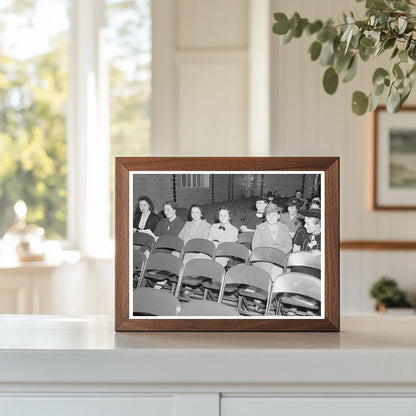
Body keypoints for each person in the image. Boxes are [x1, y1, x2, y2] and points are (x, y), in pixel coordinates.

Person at [252, 203, 292, 281]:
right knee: (267, 271)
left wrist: (277, 254)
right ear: (265, 217)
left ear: (278, 216)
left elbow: (289, 245)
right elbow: (255, 246)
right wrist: (268, 255)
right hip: (263, 258)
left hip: (281, 256)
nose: (271, 217)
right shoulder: (259, 228)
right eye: (268, 215)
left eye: (274, 215)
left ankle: (275, 288)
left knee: (282, 273)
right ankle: (266, 287)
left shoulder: (284, 227)